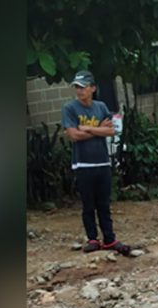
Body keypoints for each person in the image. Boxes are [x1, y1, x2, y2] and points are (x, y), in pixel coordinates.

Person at [61, 70, 130, 254]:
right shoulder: (69, 108)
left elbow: (111, 131)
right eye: (77, 87)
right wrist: (97, 128)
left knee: (104, 204)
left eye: (83, 87)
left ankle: (109, 238)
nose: (79, 90)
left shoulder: (101, 107)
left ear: (92, 88)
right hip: (83, 164)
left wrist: (86, 127)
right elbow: (73, 135)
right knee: (88, 204)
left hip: (102, 162)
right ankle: (92, 238)